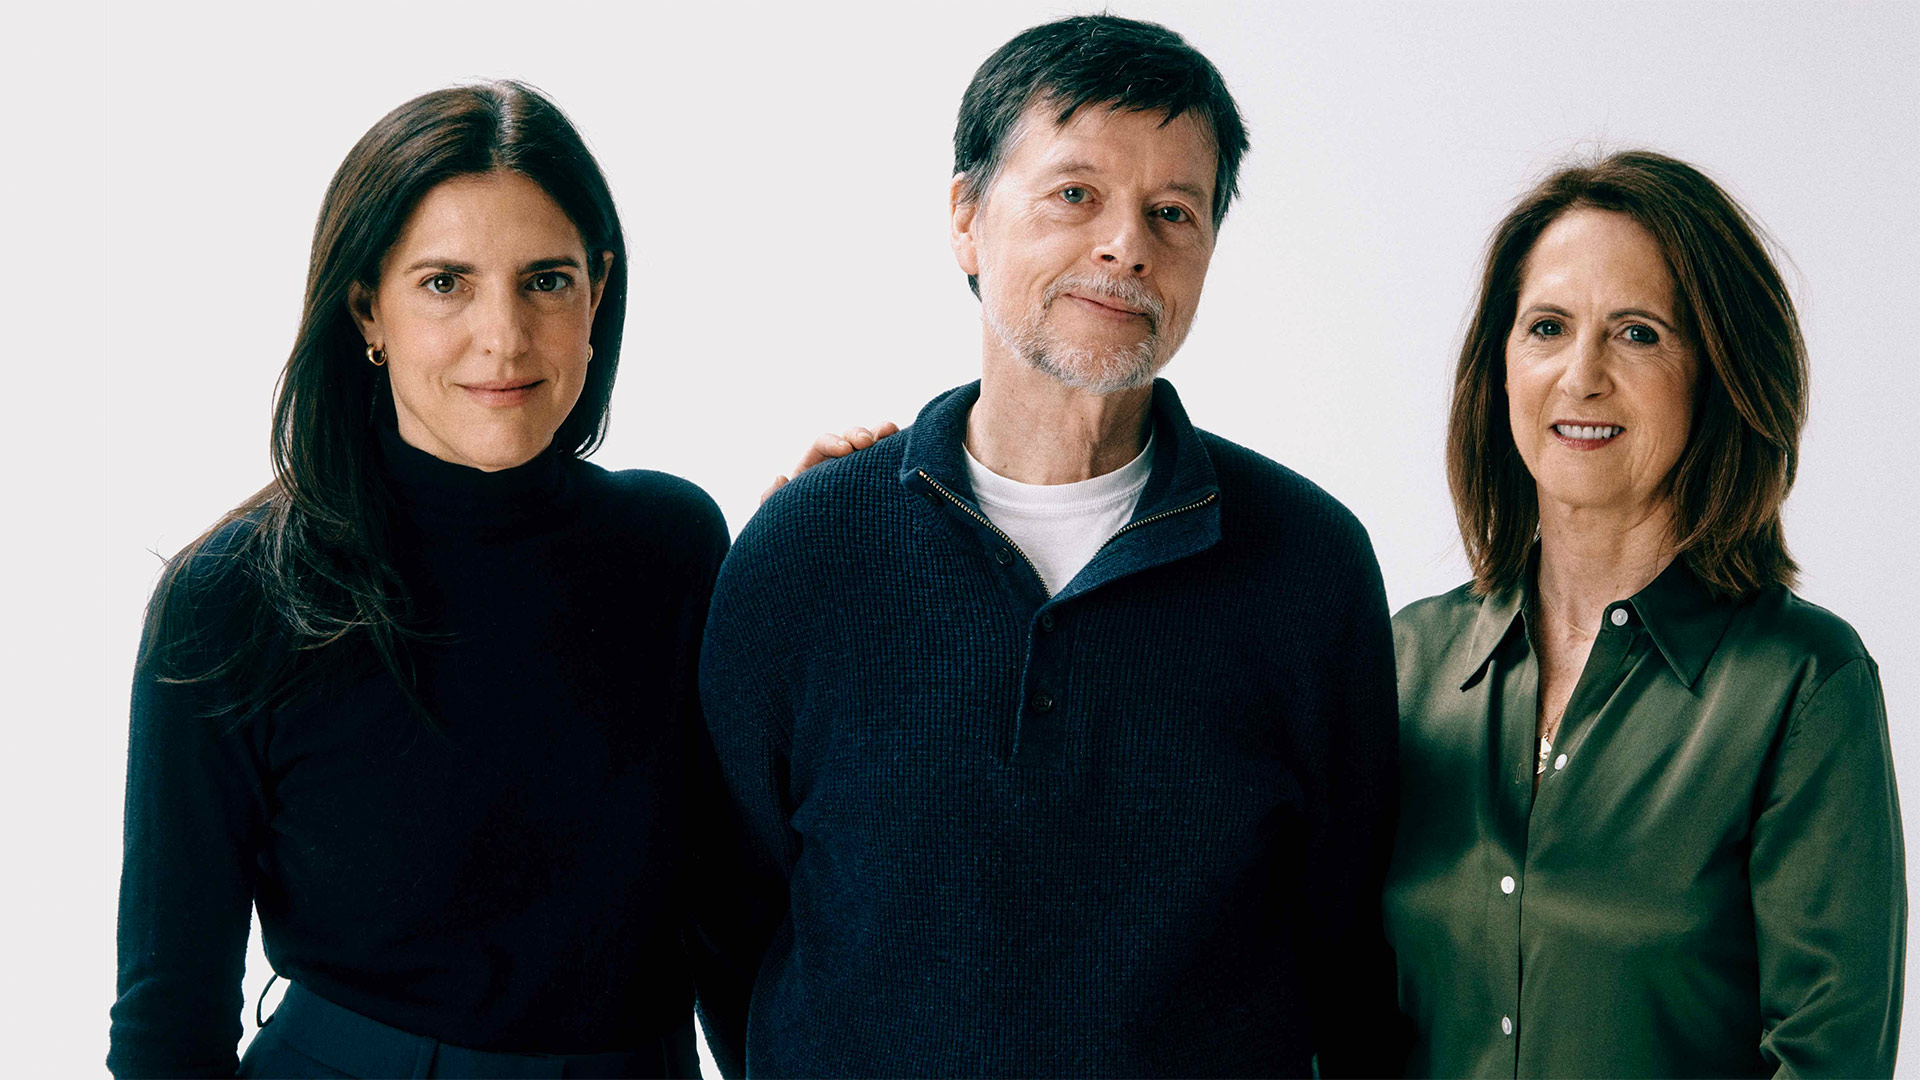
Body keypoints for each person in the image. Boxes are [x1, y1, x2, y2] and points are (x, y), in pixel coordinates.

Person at [698, 15, 1405, 1077]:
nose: (1127, 246)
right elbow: (726, 914)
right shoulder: (807, 547)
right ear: (966, 219)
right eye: (1075, 194)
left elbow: (1343, 950)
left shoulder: (1310, 565)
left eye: (1174, 212)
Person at [109, 81, 730, 1078]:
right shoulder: (235, 596)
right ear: (368, 307)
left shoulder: (676, 546)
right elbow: (169, 1003)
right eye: (446, 282)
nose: (506, 336)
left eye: (547, 280)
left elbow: (735, 899)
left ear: (597, 295)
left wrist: (836, 527)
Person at [1385, 150, 1905, 1076]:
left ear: (1716, 370)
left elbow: (1826, 1059)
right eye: (1547, 326)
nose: (1582, 375)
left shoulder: (1803, 686)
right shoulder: (1406, 663)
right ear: (1500, 364)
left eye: (1637, 334)